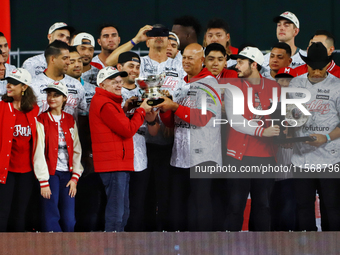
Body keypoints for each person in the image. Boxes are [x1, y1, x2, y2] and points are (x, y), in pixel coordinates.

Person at [158, 43, 222, 231]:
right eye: (184, 57)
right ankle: (180, 247)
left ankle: (204, 247)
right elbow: (171, 124)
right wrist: (164, 108)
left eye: (190, 58)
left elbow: (202, 118)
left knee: (199, 203)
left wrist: (175, 107)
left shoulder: (210, 84)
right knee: (179, 205)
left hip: (203, 156)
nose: (185, 61)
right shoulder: (181, 83)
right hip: (180, 155)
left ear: (202, 61)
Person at [224, 46, 281, 231]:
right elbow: (235, 120)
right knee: (234, 207)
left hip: (265, 157)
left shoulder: (274, 87)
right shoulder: (233, 87)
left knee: (263, 207)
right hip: (237, 157)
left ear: (254, 64)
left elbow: (284, 118)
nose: (236, 66)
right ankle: (230, 249)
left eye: (241, 62)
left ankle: (261, 249)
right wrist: (262, 132)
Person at [89, 66, 152, 232]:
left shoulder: (110, 102)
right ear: (102, 85)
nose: (118, 85)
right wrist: (141, 111)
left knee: (122, 211)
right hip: (113, 164)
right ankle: (112, 245)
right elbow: (128, 130)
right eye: (113, 82)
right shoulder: (105, 103)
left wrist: (125, 109)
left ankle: (117, 244)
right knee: (117, 212)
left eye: (119, 81)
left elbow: (114, 125)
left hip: (118, 163)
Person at [289, 42, 340, 231]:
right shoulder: (296, 83)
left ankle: (333, 248)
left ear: (328, 64)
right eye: (313, 67)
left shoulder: (337, 86)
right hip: (302, 158)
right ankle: (308, 249)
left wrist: (326, 137)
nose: (317, 72)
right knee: (303, 206)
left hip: (330, 158)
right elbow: (289, 117)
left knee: (332, 207)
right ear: (306, 64)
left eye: (321, 67)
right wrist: (292, 124)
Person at [117, 51, 160, 231]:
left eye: (137, 67)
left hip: (140, 155)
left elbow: (154, 131)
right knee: (118, 206)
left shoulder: (146, 92)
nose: (134, 70)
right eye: (130, 66)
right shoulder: (113, 91)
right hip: (118, 155)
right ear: (119, 68)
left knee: (138, 205)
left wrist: (151, 117)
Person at [34, 81, 83, 232]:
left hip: (67, 174)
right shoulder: (41, 119)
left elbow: (77, 149)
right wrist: (43, 180)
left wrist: (75, 176)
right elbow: (38, 151)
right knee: (51, 216)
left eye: (56, 95)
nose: (51, 98)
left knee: (69, 220)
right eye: (49, 94)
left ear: (64, 98)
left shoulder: (69, 119)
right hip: (50, 174)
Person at [0, 68, 39, 232]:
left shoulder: (34, 110)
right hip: (6, 170)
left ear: (24, 87)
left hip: (27, 171)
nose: (9, 86)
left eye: (14, 83)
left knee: (21, 213)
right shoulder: (2, 107)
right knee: (3, 211)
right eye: (8, 82)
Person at [31, 40, 86, 118]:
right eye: (65, 58)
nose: (68, 62)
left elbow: (83, 115)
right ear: (52, 59)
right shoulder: (32, 85)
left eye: (69, 58)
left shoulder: (76, 84)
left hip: (70, 129)